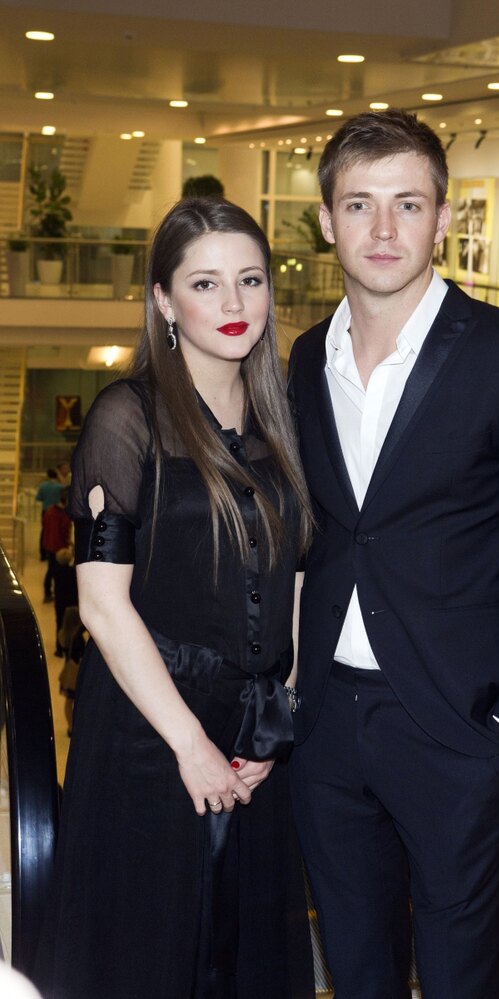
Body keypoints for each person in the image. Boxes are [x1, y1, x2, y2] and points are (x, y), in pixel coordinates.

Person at [287, 109, 499, 999]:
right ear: (327, 220)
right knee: (356, 965)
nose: (384, 229)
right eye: (360, 204)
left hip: (457, 725)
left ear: (443, 217)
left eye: (408, 204)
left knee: (464, 975)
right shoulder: (304, 360)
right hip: (326, 725)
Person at [33, 197, 315, 999]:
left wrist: (279, 719)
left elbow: (297, 580)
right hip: (151, 735)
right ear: (164, 299)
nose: (233, 302)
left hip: (256, 743)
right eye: (205, 283)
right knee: (146, 955)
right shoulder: (128, 417)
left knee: (249, 957)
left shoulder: (282, 419)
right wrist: (191, 745)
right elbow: (102, 606)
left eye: (250, 280)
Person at [41, 489, 72, 619]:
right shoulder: (64, 515)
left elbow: (44, 524)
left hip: (49, 544)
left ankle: (47, 592)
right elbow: (65, 531)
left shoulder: (49, 510)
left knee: (50, 569)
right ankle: (52, 593)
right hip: (58, 546)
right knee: (57, 572)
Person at [35, 468, 62, 591]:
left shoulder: (43, 486)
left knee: (45, 532)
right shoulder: (60, 487)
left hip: (45, 511)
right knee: (55, 532)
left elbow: (38, 498)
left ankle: (43, 554)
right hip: (57, 511)